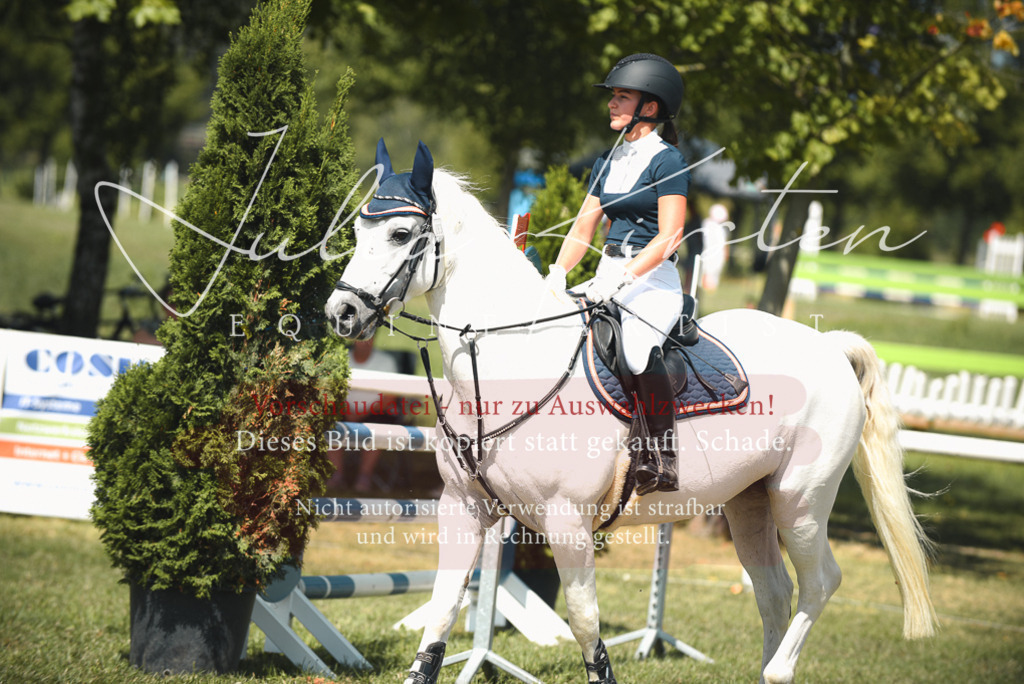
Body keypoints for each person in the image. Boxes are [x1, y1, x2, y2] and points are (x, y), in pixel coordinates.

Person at [546, 53, 689, 495]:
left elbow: (671, 235)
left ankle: (660, 456)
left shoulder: (668, 161)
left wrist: (625, 277)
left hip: (652, 280)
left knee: (638, 348)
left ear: (649, 106)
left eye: (622, 96)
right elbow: (583, 226)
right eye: (613, 97)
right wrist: (557, 272)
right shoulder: (606, 162)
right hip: (606, 273)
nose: (612, 104)